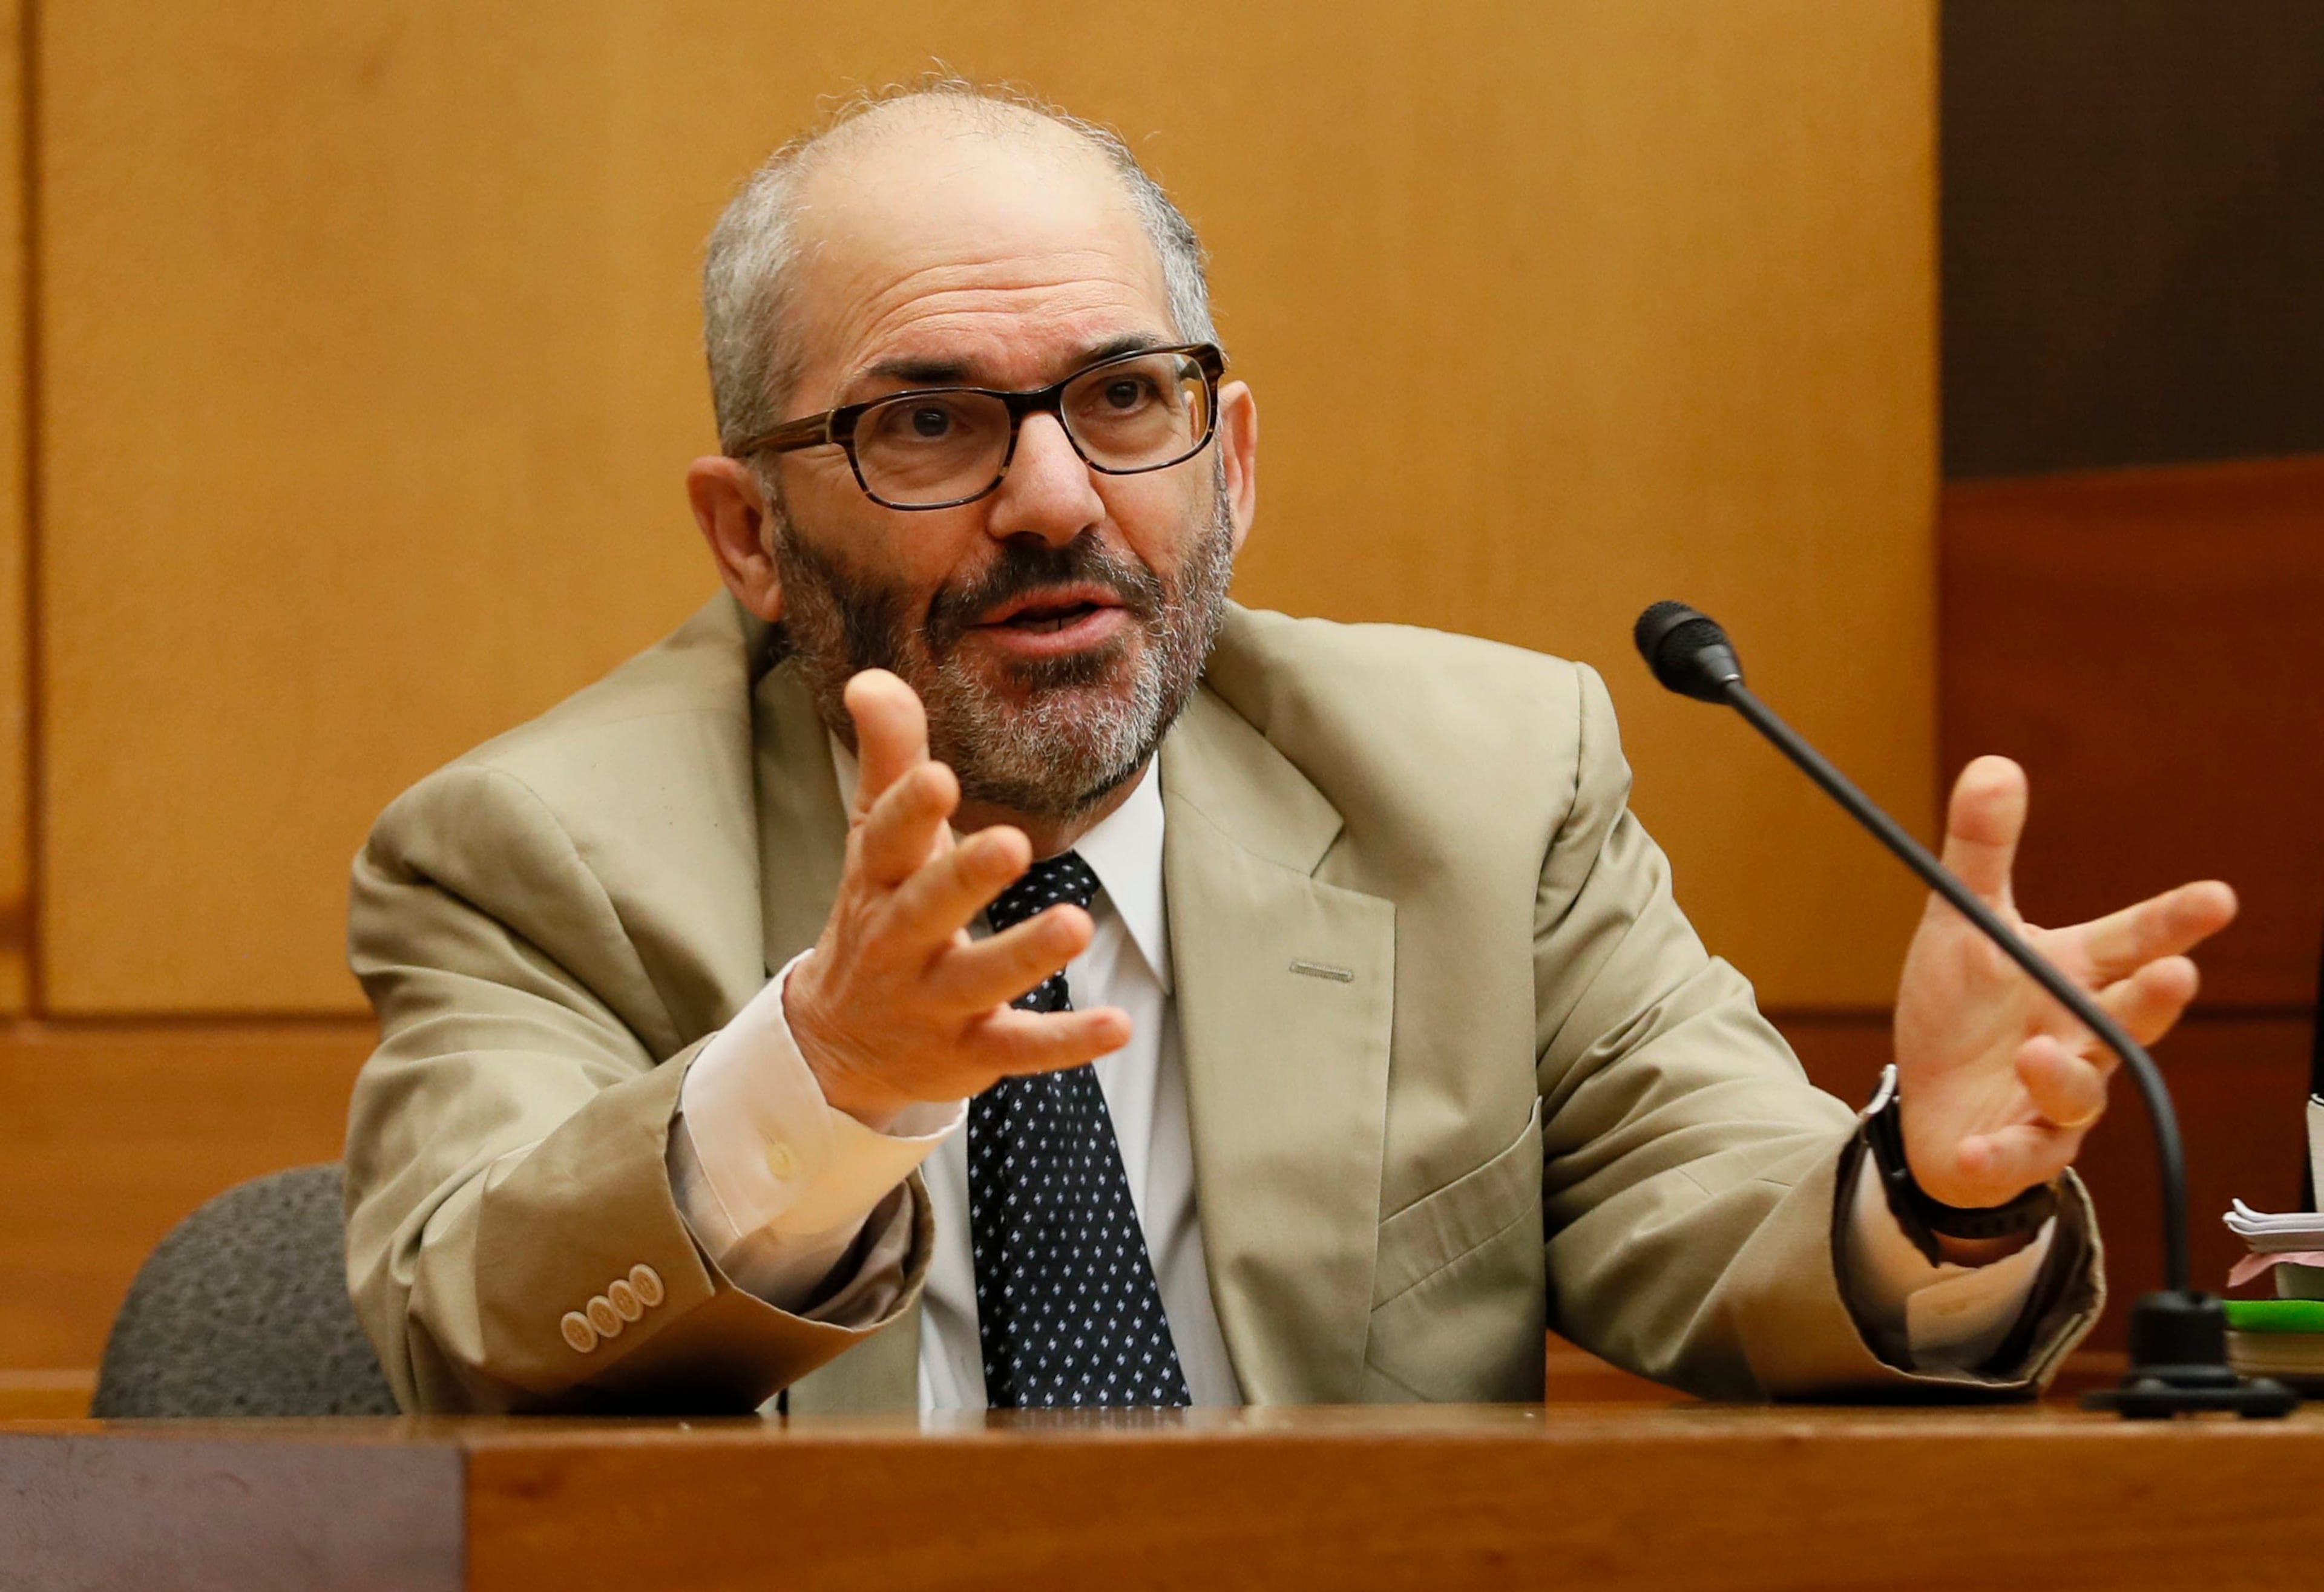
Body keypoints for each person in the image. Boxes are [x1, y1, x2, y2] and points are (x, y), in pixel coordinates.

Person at [343, 81, 2235, 1415]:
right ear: (753, 536)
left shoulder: (1483, 785)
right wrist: (820, 1085)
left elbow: (1722, 1209)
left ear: (1228, 460)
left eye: (1124, 398)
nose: (1054, 499)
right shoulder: (541, 848)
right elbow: (471, 1322)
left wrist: (1934, 1194)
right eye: (927, 423)